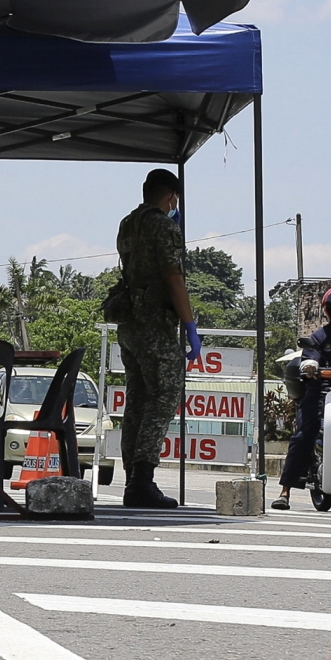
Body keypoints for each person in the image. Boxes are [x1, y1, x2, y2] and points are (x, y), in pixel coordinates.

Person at [111, 168, 195, 508]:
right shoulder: (163, 225)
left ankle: (133, 476)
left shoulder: (128, 224)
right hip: (155, 326)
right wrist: (189, 325)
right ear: (171, 197)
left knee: (138, 399)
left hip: (129, 323)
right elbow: (173, 277)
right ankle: (142, 480)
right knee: (162, 398)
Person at [275, 284, 331, 509]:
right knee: (304, 434)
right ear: (329, 312)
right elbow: (310, 354)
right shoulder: (320, 336)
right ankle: (285, 491)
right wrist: (311, 364)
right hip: (322, 392)